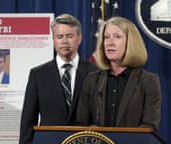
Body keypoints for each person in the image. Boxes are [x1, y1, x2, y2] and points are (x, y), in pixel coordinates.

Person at [19, 13, 98, 144]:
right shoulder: (38, 74)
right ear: (54, 40)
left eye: (70, 36)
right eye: (59, 37)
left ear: (79, 39)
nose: (64, 41)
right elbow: (28, 120)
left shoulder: (95, 72)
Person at [76, 16, 162, 130]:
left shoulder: (148, 81)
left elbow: (149, 126)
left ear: (131, 42)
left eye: (117, 37)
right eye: (106, 37)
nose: (110, 43)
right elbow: (81, 125)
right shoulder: (92, 80)